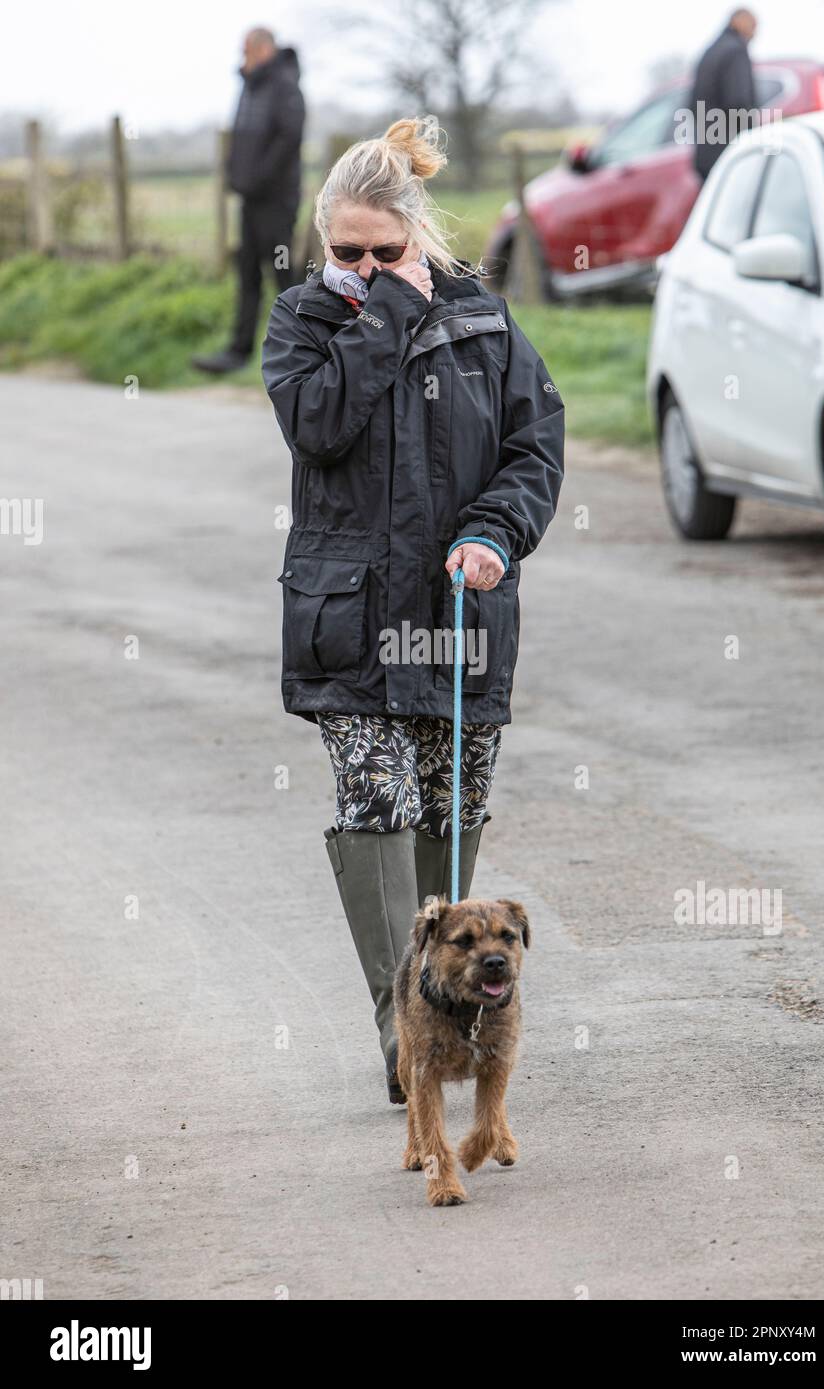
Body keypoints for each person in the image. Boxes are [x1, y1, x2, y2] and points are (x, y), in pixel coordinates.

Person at [261, 116, 565, 1105]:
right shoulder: (303, 323)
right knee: (376, 804)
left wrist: (493, 533)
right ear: (322, 242)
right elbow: (321, 423)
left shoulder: (482, 318)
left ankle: (448, 1014)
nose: (362, 267)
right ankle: (406, 1033)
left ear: (416, 234)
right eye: (343, 252)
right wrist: (388, 308)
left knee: (450, 809)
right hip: (347, 620)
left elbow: (534, 445)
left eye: (385, 253)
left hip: (460, 614)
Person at [193, 27, 305, 375]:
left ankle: (304, 349)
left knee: (283, 272)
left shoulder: (285, 84)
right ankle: (238, 352)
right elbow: (240, 135)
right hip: (250, 200)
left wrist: (258, 180)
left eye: (248, 51)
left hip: (276, 200)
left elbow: (289, 139)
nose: (244, 59)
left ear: (264, 48)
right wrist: (234, 175)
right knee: (247, 273)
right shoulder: (248, 86)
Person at [688, 8, 758, 182]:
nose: (754, 33)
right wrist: (753, 139)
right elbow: (738, 102)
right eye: (753, 26)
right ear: (738, 21)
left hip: (708, 155)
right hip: (730, 155)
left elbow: (693, 104)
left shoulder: (711, 51)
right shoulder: (735, 51)